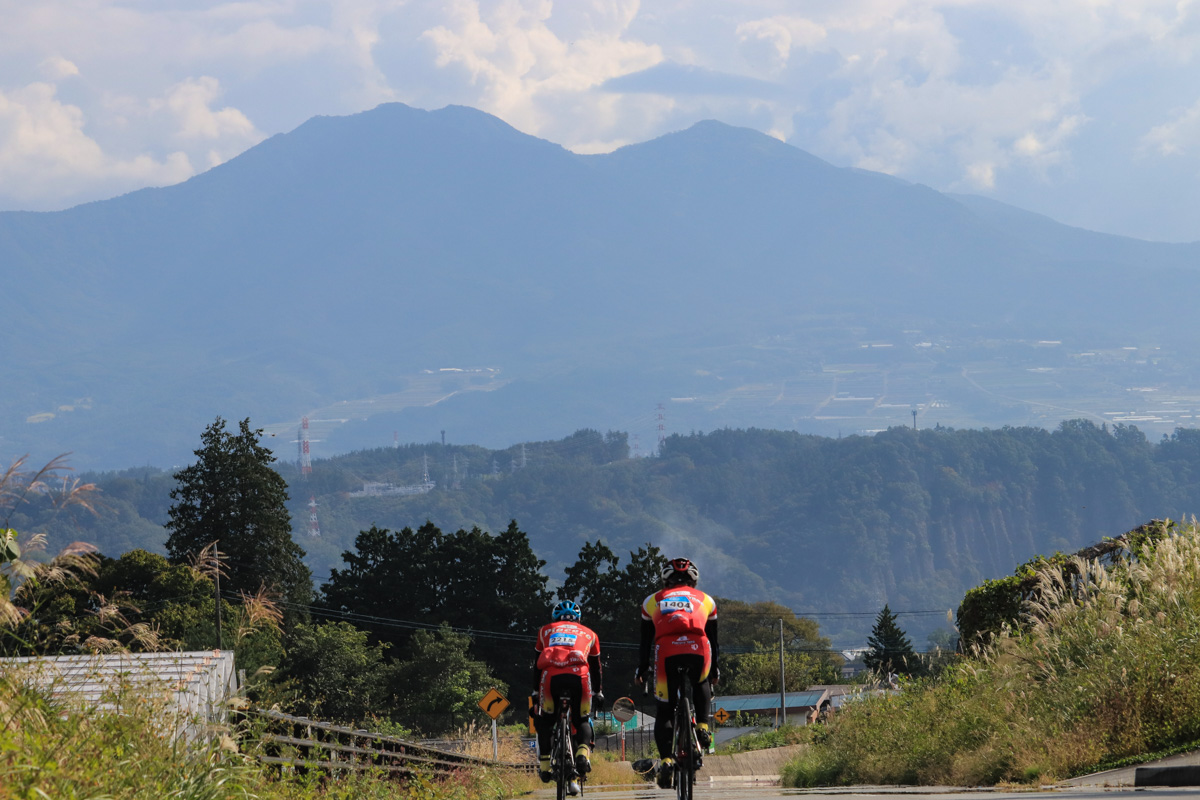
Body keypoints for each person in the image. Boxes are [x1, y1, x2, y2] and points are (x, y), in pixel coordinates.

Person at [635, 557, 719, 790]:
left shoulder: (651, 601)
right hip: (698, 647)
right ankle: (702, 726)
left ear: (665, 580)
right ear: (693, 580)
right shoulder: (706, 600)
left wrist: (642, 669)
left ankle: (666, 761)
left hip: (667, 652)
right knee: (701, 681)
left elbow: (645, 643)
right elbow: (714, 640)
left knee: (664, 710)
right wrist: (715, 670)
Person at [533, 599, 603, 795]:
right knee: (582, 719)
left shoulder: (544, 631)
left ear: (555, 619)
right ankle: (581, 753)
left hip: (550, 677)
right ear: (578, 619)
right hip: (579, 676)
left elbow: (536, 664)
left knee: (546, 720)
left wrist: (535, 692)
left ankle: (545, 766)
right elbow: (596, 668)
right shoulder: (590, 633)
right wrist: (598, 692)